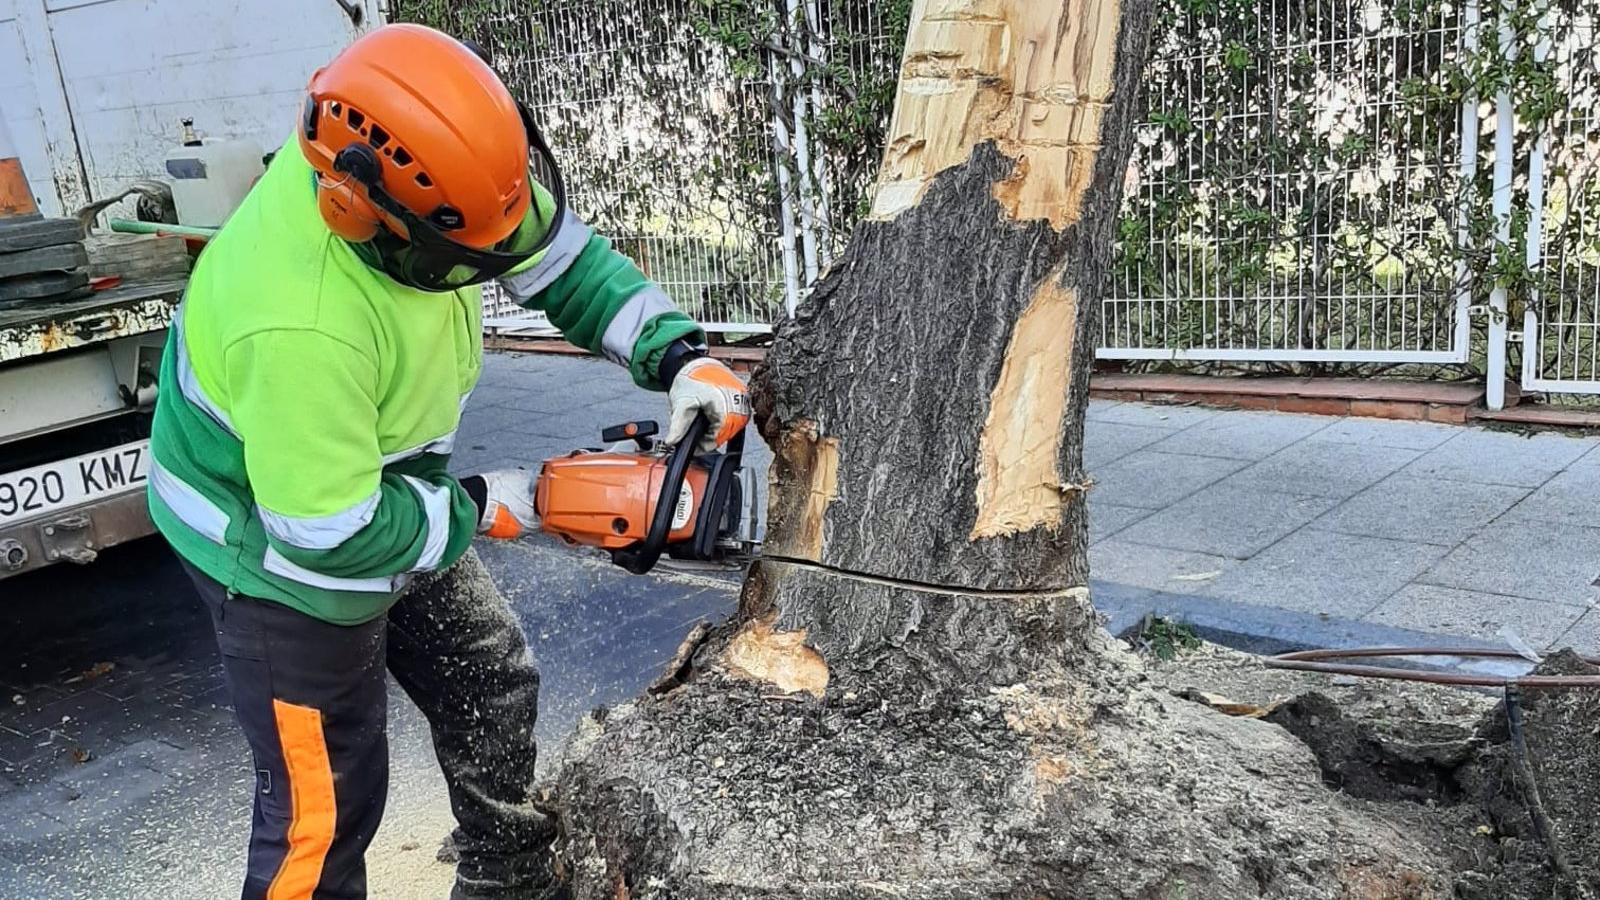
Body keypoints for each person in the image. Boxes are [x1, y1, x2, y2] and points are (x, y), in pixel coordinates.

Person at [146, 23, 750, 900]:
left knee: (489, 676)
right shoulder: (298, 319)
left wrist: (676, 354)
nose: (494, 267)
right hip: (275, 549)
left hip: (373, 489)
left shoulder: (425, 170)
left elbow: (556, 258)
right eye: (465, 259)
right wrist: (498, 503)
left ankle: (507, 882)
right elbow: (327, 532)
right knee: (329, 801)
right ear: (366, 218)